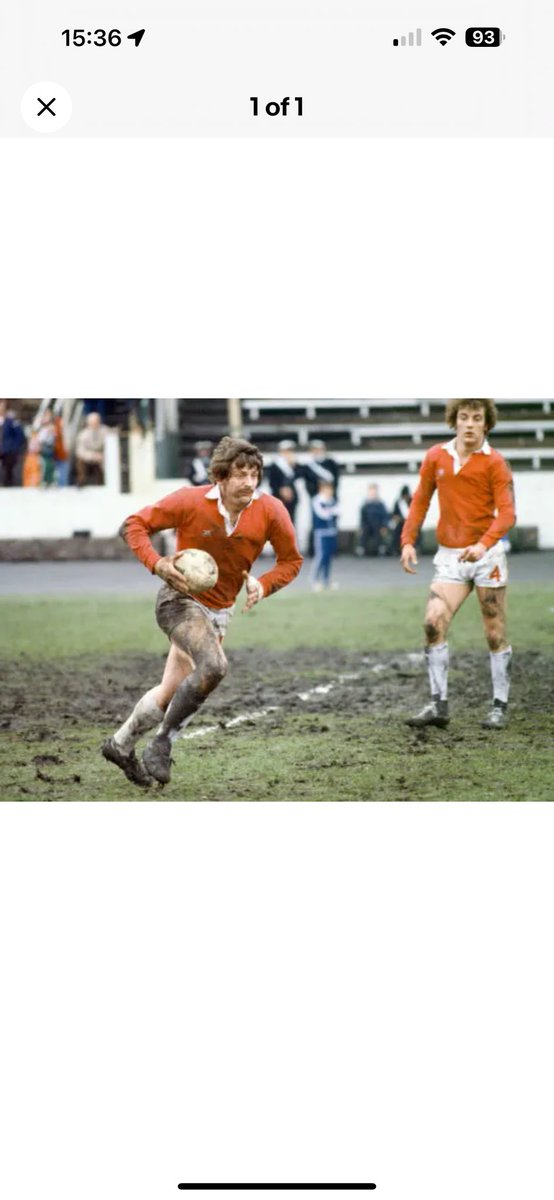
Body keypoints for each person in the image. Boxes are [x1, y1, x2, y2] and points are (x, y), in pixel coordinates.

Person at [101, 436, 303, 787]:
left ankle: (120, 744)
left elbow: (291, 560)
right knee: (215, 666)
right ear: (221, 477)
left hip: (220, 611)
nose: (249, 482)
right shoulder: (190, 500)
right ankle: (162, 744)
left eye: (254, 474)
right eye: (241, 474)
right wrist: (158, 563)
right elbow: (132, 525)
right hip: (178, 602)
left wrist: (264, 584)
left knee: (170, 695)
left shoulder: (270, 510)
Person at [400, 398, 515, 730]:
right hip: (450, 557)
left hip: (486, 557)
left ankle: (499, 706)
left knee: (494, 633)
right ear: (454, 421)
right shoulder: (436, 456)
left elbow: (507, 514)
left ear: (486, 424)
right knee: (432, 624)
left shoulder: (495, 463)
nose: (469, 424)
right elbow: (420, 499)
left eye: (476, 418)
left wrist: (483, 545)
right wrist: (407, 540)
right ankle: (439, 706)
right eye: (463, 417)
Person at [312, 481, 340, 591]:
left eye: (330, 489)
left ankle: (326, 580)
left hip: (331, 532)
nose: (329, 492)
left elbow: (338, 512)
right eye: (326, 490)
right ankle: (315, 580)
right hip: (321, 533)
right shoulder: (317, 501)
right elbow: (323, 514)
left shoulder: (332, 501)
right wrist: (331, 511)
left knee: (328, 558)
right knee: (321, 556)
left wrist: (331, 511)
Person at [267, 439, 301, 523]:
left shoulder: (295, 465)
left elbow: (299, 477)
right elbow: (271, 483)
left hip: (292, 499)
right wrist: (281, 490)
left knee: (291, 521)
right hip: (279, 498)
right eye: (286, 451)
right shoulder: (274, 465)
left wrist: (293, 465)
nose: (288, 453)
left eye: (290, 451)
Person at [75, 411, 106, 486]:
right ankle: (81, 480)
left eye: (96, 421)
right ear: (88, 423)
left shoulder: (105, 431)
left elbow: (110, 446)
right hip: (89, 457)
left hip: (101, 457)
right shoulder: (83, 434)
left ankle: (101, 482)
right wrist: (93, 456)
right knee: (80, 460)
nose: (95, 424)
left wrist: (101, 455)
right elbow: (80, 451)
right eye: (93, 422)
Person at [358, 484, 390, 556]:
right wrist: (361, 527)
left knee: (378, 533)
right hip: (367, 525)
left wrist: (384, 526)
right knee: (364, 532)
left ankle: (379, 549)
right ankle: (362, 549)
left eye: (374, 491)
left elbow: (385, 516)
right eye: (371, 491)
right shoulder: (365, 505)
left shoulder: (380, 504)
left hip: (378, 525)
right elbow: (362, 518)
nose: (373, 493)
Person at [0, 400, 26, 486]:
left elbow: (19, 435)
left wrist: (13, 447)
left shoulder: (11, 421)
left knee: (8, 471)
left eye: (2, 406)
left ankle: (7, 485)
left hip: (7, 451)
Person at [390, 485, 414, 557]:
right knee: (397, 532)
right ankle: (396, 549)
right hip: (400, 522)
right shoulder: (398, 502)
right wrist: (397, 518)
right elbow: (394, 514)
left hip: (410, 522)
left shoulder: (412, 501)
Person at [37, 410, 56, 486]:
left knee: (50, 465)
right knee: (45, 465)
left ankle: (50, 480)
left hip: (50, 448)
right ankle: (44, 480)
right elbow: (41, 439)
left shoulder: (52, 427)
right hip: (43, 447)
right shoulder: (41, 428)